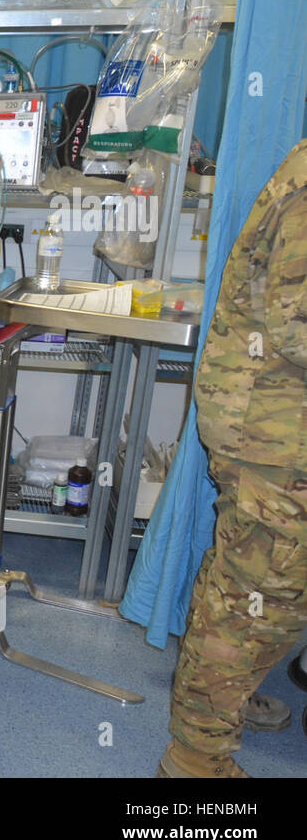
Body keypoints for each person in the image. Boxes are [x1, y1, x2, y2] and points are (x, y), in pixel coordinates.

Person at [158, 139, 307, 777]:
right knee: (257, 597)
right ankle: (195, 763)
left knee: (248, 587)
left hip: (274, 420)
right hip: (272, 427)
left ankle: (219, 709)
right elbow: (297, 321)